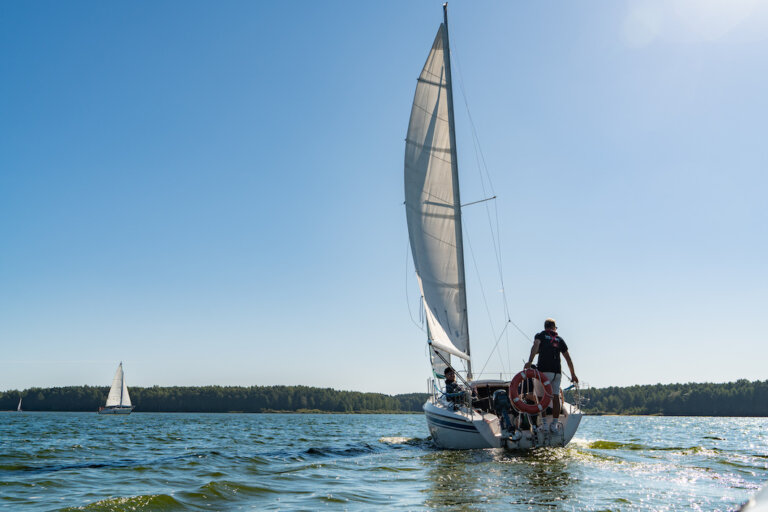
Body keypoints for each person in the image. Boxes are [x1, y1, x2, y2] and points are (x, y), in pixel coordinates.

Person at [524, 318, 578, 433]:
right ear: (554, 327)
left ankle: (544, 424)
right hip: (557, 373)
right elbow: (568, 358)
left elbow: (535, 346)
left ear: (545, 327)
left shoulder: (540, 336)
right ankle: (554, 425)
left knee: (540, 397)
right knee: (555, 397)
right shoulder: (559, 339)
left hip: (544, 372)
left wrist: (529, 361)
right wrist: (573, 374)